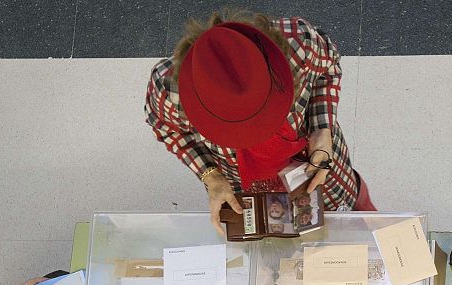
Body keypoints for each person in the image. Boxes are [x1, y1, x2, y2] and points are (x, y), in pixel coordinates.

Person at [146, 10, 377, 236]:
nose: (255, 134)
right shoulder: (171, 91)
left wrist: (321, 129)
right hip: (242, 186)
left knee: (352, 215)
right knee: (270, 244)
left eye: (260, 116)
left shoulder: (298, 45)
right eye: (235, 129)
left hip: (318, 163)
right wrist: (211, 176)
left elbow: (328, 70)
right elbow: (167, 128)